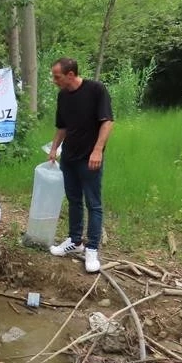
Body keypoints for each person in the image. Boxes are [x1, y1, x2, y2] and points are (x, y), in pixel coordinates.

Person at [48, 57, 114, 274]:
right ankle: (75, 240)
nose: (54, 80)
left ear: (70, 74)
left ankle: (92, 248)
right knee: (74, 200)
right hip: (69, 157)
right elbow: (62, 126)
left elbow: (107, 122)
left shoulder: (95, 90)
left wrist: (97, 150)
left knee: (93, 203)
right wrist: (54, 148)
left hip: (90, 158)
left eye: (57, 77)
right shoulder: (62, 96)